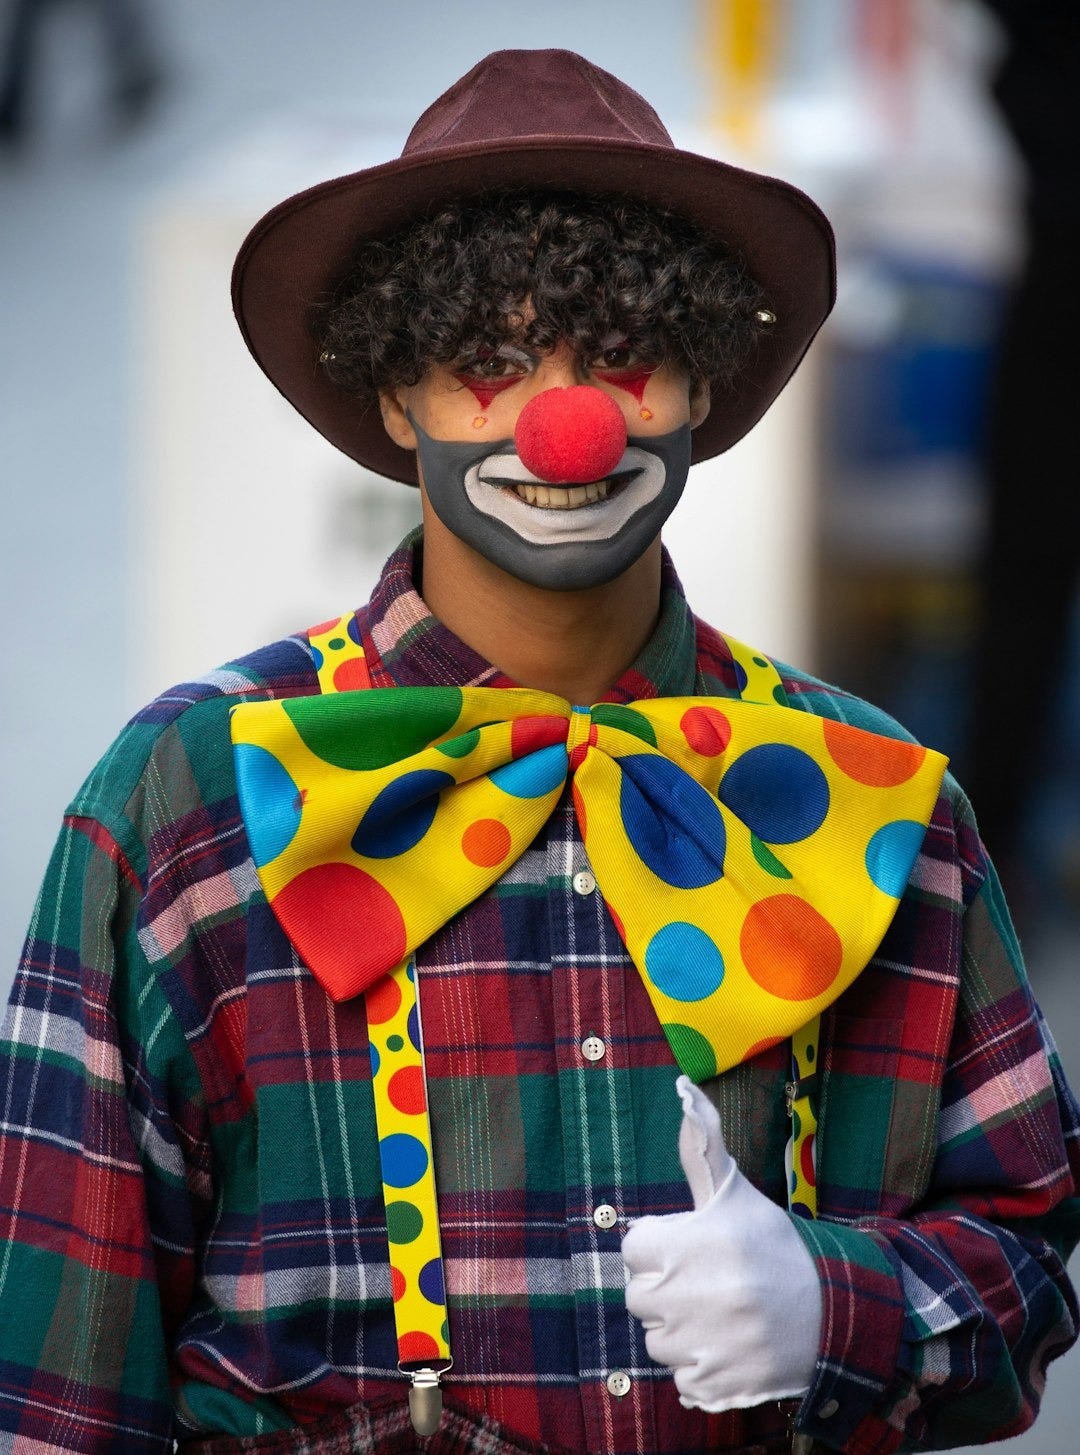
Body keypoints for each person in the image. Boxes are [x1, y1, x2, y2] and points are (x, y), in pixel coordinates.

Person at [1, 48, 1077, 1455]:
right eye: (489, 365)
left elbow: (1027, 1259)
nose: (565, 430)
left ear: (701, 382)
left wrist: (841, 1308)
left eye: (622, 358)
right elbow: (64, 1387)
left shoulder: (870, 796)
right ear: (396, 401)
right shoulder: (187, 802)